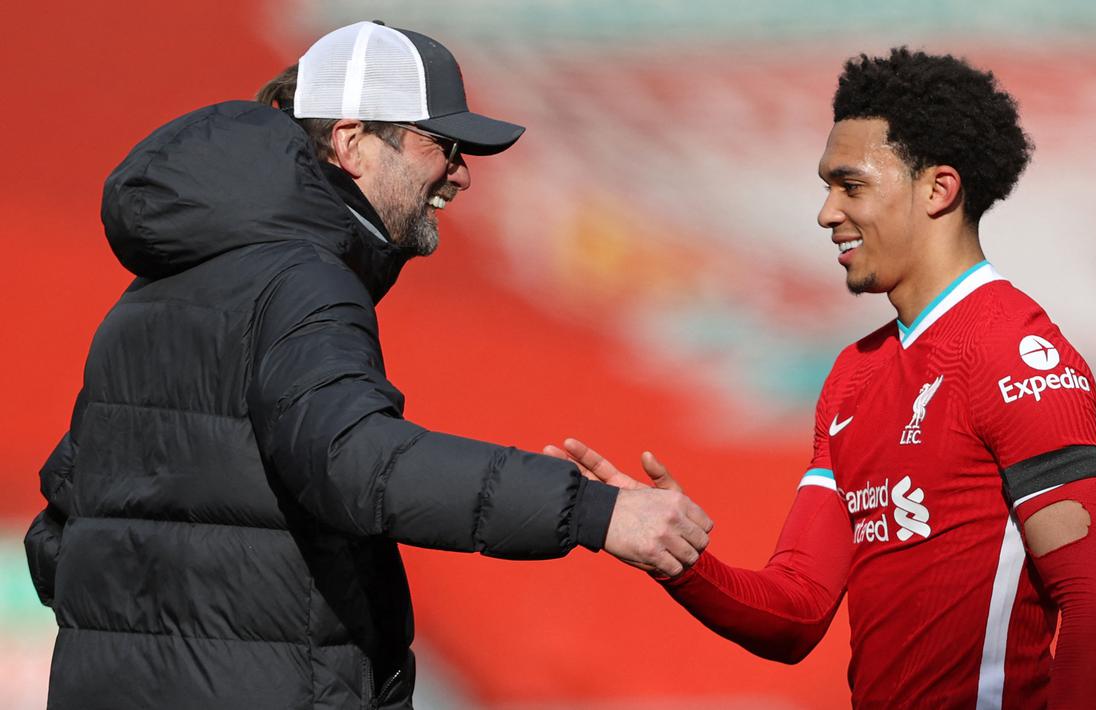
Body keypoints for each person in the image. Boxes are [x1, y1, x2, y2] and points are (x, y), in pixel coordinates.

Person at [23, 20, 712, 709]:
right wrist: (594, 511)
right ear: (351, 142)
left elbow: (60, 531)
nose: (462, 171)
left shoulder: (159, 292)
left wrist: (164, 636)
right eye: (442, 144)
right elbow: (355, 461)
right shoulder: (300, 278)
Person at [550, 48, 1096, 709]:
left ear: (938, 190)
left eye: (849, 186)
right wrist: (671, 554)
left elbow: (1095, 610)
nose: (825, 213)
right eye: (826, 187)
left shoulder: (1014, 352)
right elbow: (794, 612)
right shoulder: (853, 377)